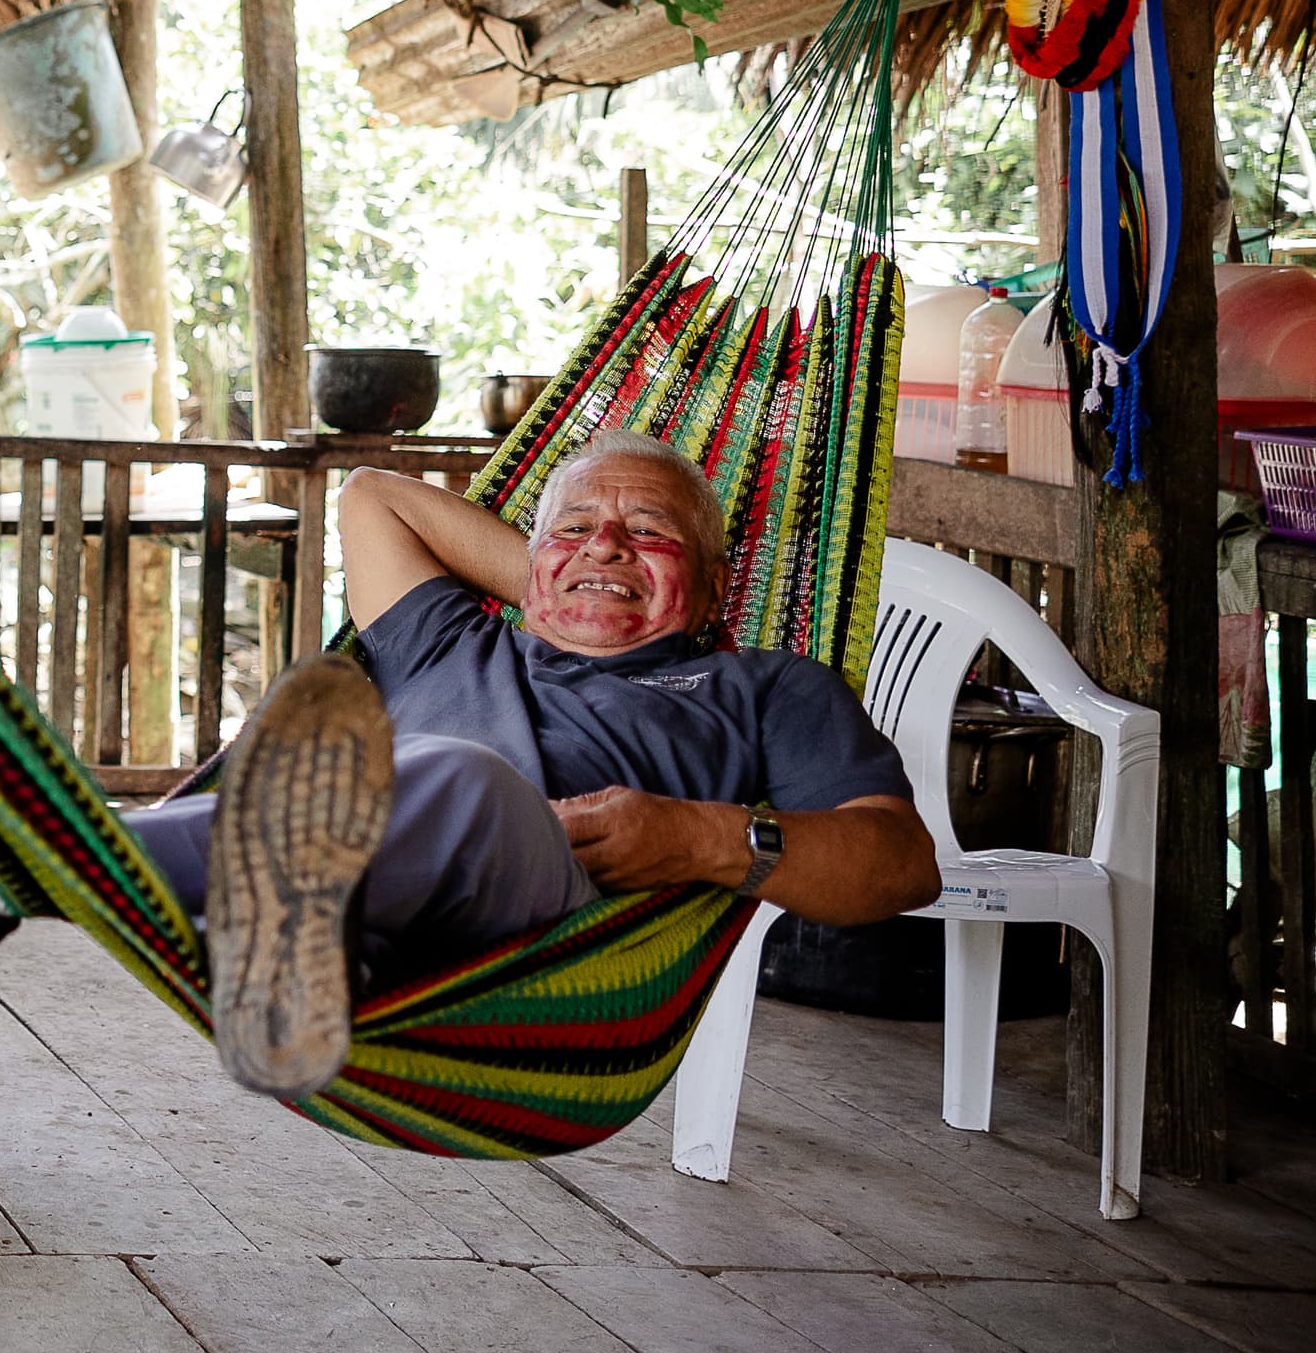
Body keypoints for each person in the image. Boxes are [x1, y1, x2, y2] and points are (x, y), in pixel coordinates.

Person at [136, 426, 944, 1099]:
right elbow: (371, 494)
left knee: (464, 780)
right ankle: (242, 925)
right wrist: (568, 576)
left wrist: (701, 836)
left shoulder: (765, 687)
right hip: (382, 935)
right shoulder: (448, 638)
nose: (607, 543)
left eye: (650, 533)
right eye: (574, 527)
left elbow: (902, 865)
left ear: (712, 588)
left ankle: (115, 861)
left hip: (550, 941)